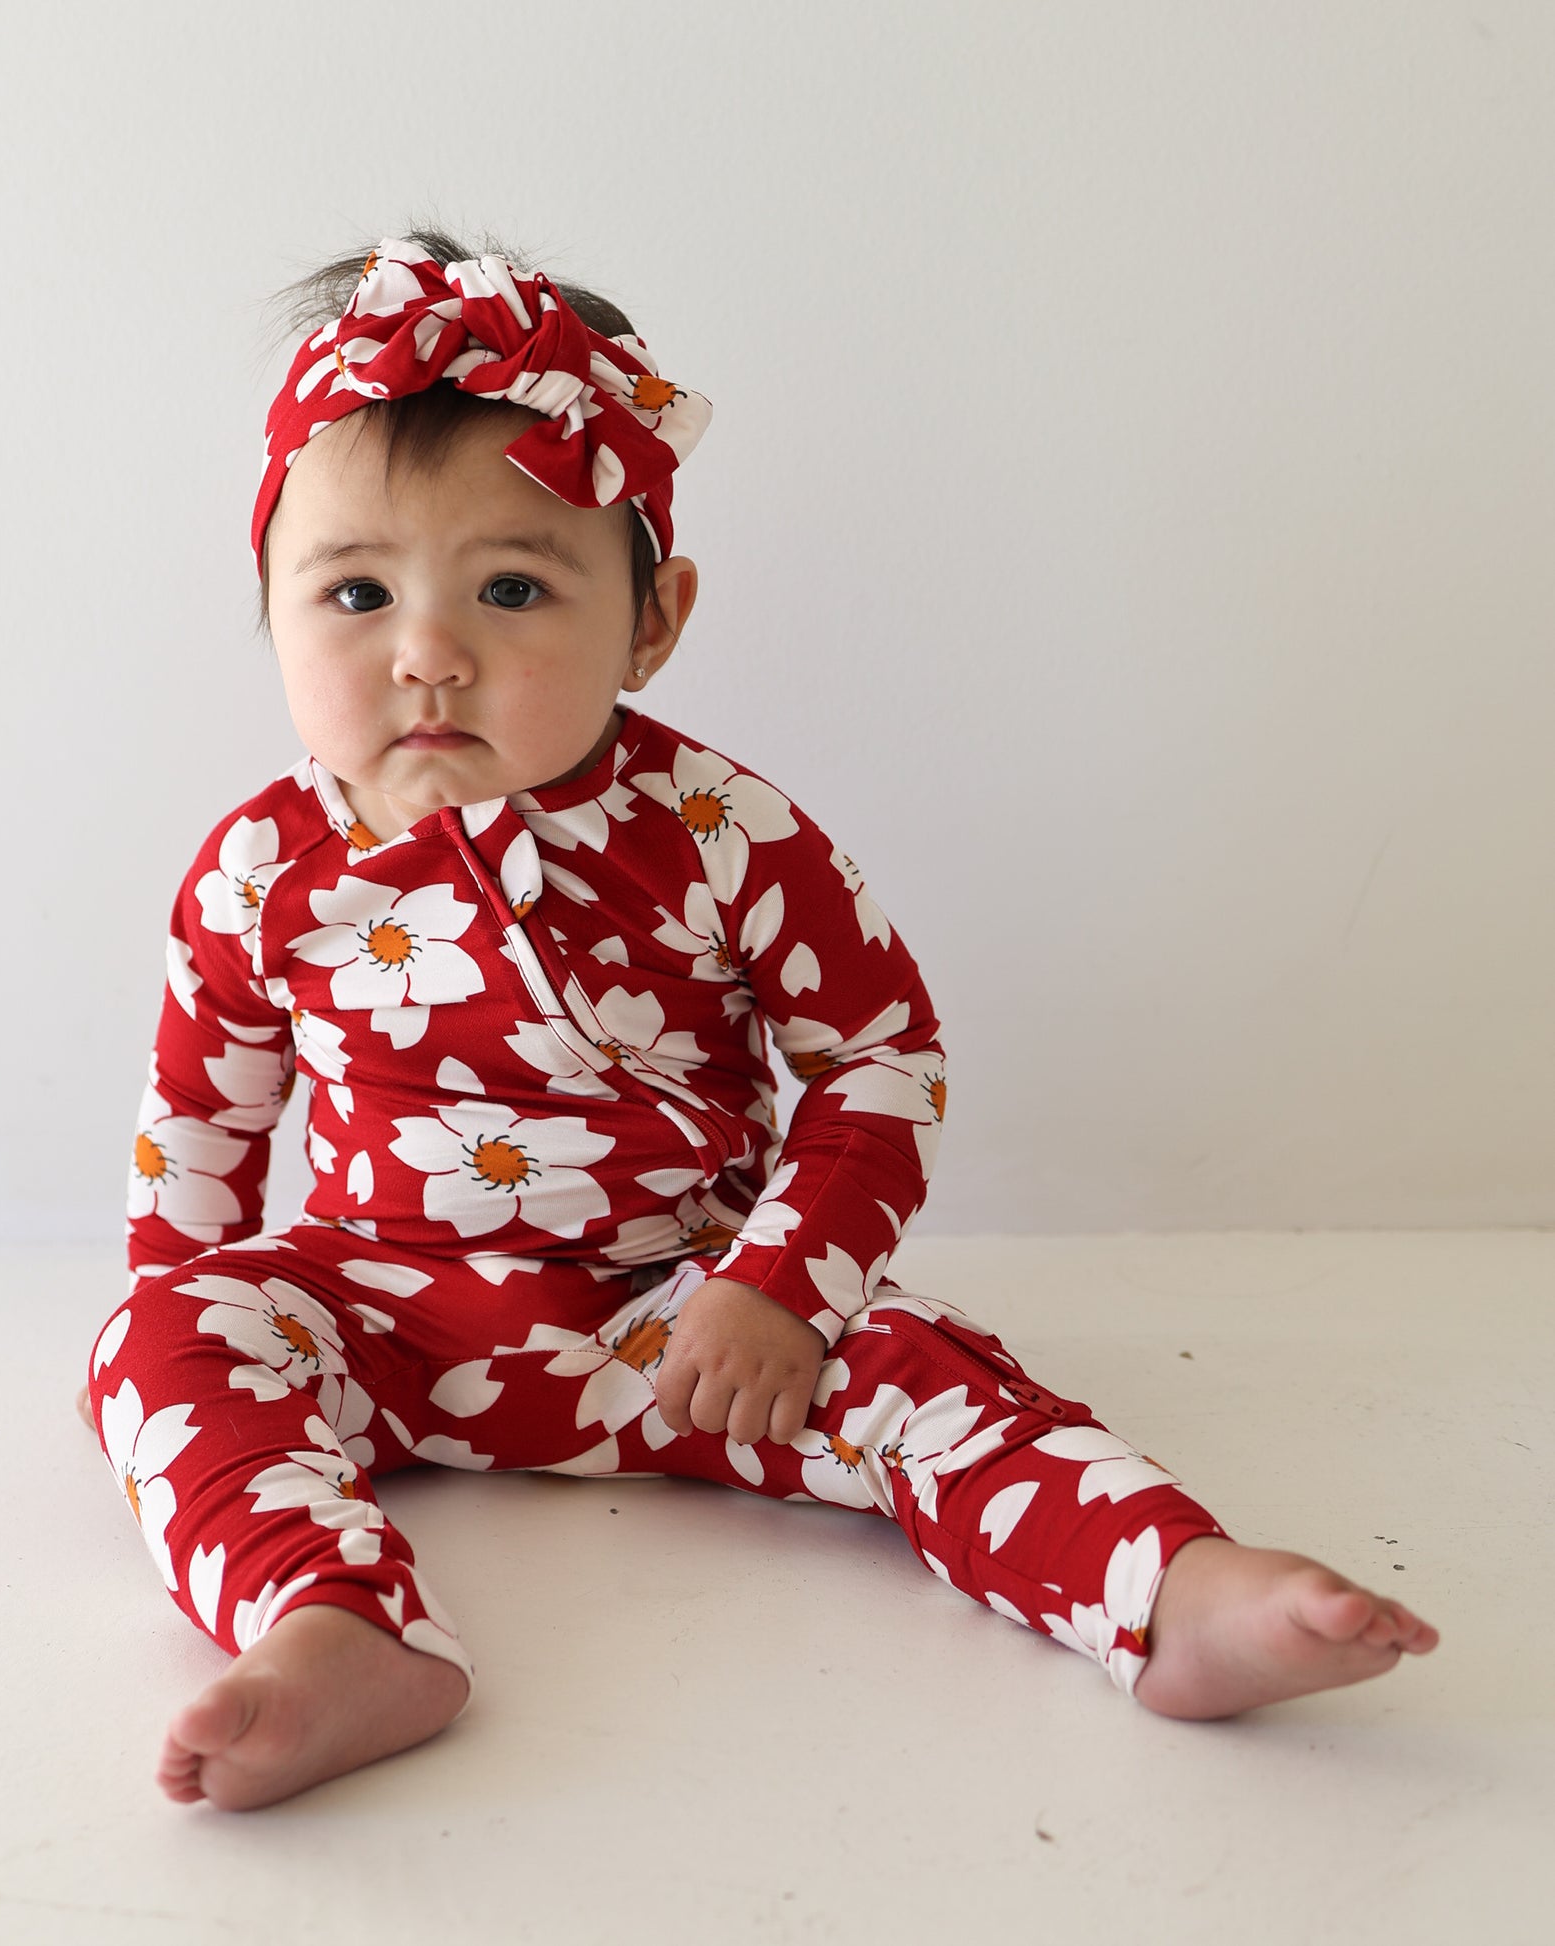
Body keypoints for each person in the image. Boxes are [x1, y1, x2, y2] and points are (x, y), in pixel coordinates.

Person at [79, 231, 1439, 1812]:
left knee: (928, 1379)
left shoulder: (716, 830)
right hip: (385, 1319)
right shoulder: (265, 863)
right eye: (356, 592)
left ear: (651, 623)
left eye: (512, 587)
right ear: (267, 607)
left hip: (691, 1324)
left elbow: (879, 1058)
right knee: (163, 1335)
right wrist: (183, 1344)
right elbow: (201, 1112)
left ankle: (1166, 1588)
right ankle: (336, 1623)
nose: (426, 652)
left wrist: (779, 1289)